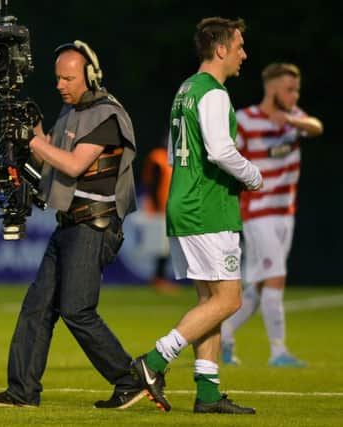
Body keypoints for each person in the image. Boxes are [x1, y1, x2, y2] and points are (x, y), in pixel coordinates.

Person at [0, 40, 144, 409]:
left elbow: (73, 165)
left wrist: (34, 140)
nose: (60, 85)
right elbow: (51, 159)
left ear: (91, 76)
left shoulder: (107, 115)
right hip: (69, 224)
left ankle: (130, 379)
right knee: (37, 307)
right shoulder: (72, 111)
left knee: (77, 310)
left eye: (68, 78)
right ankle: (21, 392)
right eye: (57, 78)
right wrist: (29, 125)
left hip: (94, 225)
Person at [130, 17, 263, 414]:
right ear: (220, 49)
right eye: (239, 46)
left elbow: (175, 153)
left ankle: (207, 393)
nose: (243, 54)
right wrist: (253, 176)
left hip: (186, 202)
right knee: (230, 300)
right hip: (207, 209)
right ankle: (153, 362)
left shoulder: (185, 89)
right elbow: (221, 151)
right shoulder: (214, 93)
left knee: (210, 301)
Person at [220, 63, 323, 367]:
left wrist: (291, 119)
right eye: (290, 89)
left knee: (261, 283)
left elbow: (317, 127)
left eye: (296, 90)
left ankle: (224, 333)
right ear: (273, 88)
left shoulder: (295, 120)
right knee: (275, 276)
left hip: (284, 212)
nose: (294, 95)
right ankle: (278, 351)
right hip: (257, 212)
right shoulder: (245, 120)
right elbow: (226, 157)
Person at [140, 136, 180, 293]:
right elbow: (153, 183)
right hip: (161, 208)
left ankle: (159, 277)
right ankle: (158, 278)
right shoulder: (158, 156)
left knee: (167, 246)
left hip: (172, 208)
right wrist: (153, 204)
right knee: (162, 246)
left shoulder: (174, 158)